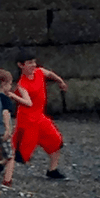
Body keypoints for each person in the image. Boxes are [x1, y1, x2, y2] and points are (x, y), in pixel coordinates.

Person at [12, 51, 68, 179]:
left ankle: (52, 170)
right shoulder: (22, 85)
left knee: (56, 140)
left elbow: (50, 74)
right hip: (26, 120)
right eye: (30, 63)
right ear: (21, 65)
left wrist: (60, 81)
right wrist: (13, 96)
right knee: (20, 152)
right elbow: (27, 102)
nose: (33, 65)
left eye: (34, 62)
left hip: (39, 117)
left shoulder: (39, 72)